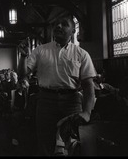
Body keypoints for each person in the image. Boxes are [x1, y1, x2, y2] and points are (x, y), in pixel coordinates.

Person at [18, 13, 96, 156]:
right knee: (44, 144)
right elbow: (23, 74)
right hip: (46, 101)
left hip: (72, 102)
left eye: (64, 24)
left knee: (73, 144)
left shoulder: (81, 54)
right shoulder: (41, 50)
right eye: (56, 24)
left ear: (73, 31)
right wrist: (23, 56)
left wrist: (87, 112)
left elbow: (88, 85)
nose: (58, 26)